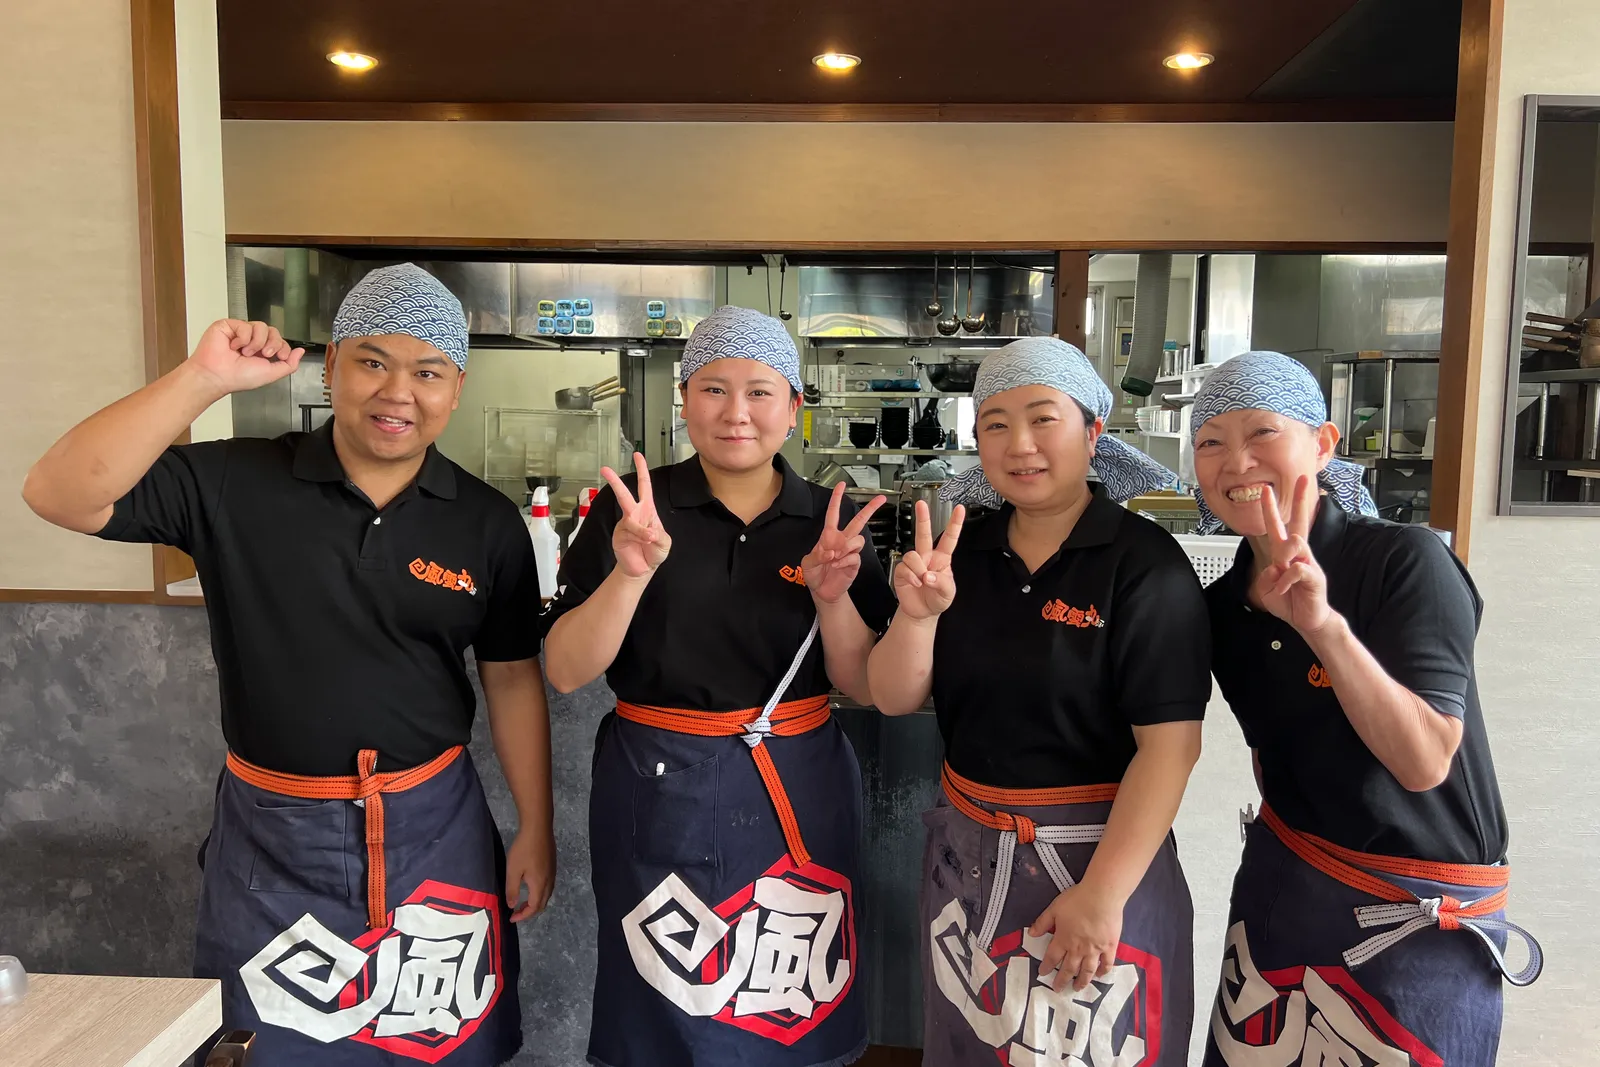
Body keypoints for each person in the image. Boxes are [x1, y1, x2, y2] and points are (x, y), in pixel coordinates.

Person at [22, 264, 554, 1065]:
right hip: (273, 836)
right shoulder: (235, 479)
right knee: (265, 1047)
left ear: (457, 385)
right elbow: (56, 491)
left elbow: (511, 675)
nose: (397, 392)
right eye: (372, 361)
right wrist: (202, 377)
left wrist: (535, 825)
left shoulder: (486, 521)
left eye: (427, 371)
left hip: (434, 829)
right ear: (331, 361)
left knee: (440, 1045)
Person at [541, 305, 895, 1067]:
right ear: (683, 398)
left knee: (789, 998)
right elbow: (566, 669)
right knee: (667, 1001)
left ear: (795, 408)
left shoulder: (826, 521)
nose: (736, 413)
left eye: (760, 392)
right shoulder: (633, 507)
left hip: (796, 784)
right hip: (656, 786)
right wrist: (631, 574)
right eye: (713, 389)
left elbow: (863, 684)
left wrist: (832, 595)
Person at [1189, 351, 1542, 1067]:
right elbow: (1271, 747)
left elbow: (1424, 759)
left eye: (1262, 433)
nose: (1236, 461)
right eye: (1210, 442)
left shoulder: (1402, 562)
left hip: (1417, 916)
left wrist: (1322, 626)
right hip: (1288, 885)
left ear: (1323, 444)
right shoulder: (1221, 608)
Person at [867, 337, 1211, 1067]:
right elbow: (894, 697)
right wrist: (918, 615)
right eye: (995, 423)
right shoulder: (963, 552)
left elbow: (1171, 747)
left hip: (1095, 864)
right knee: (968, 1047)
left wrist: (1102, 897)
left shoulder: (1144, 564)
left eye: (1041, 418)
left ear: (1092, 432)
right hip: (969, 856)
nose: (1018, 444)